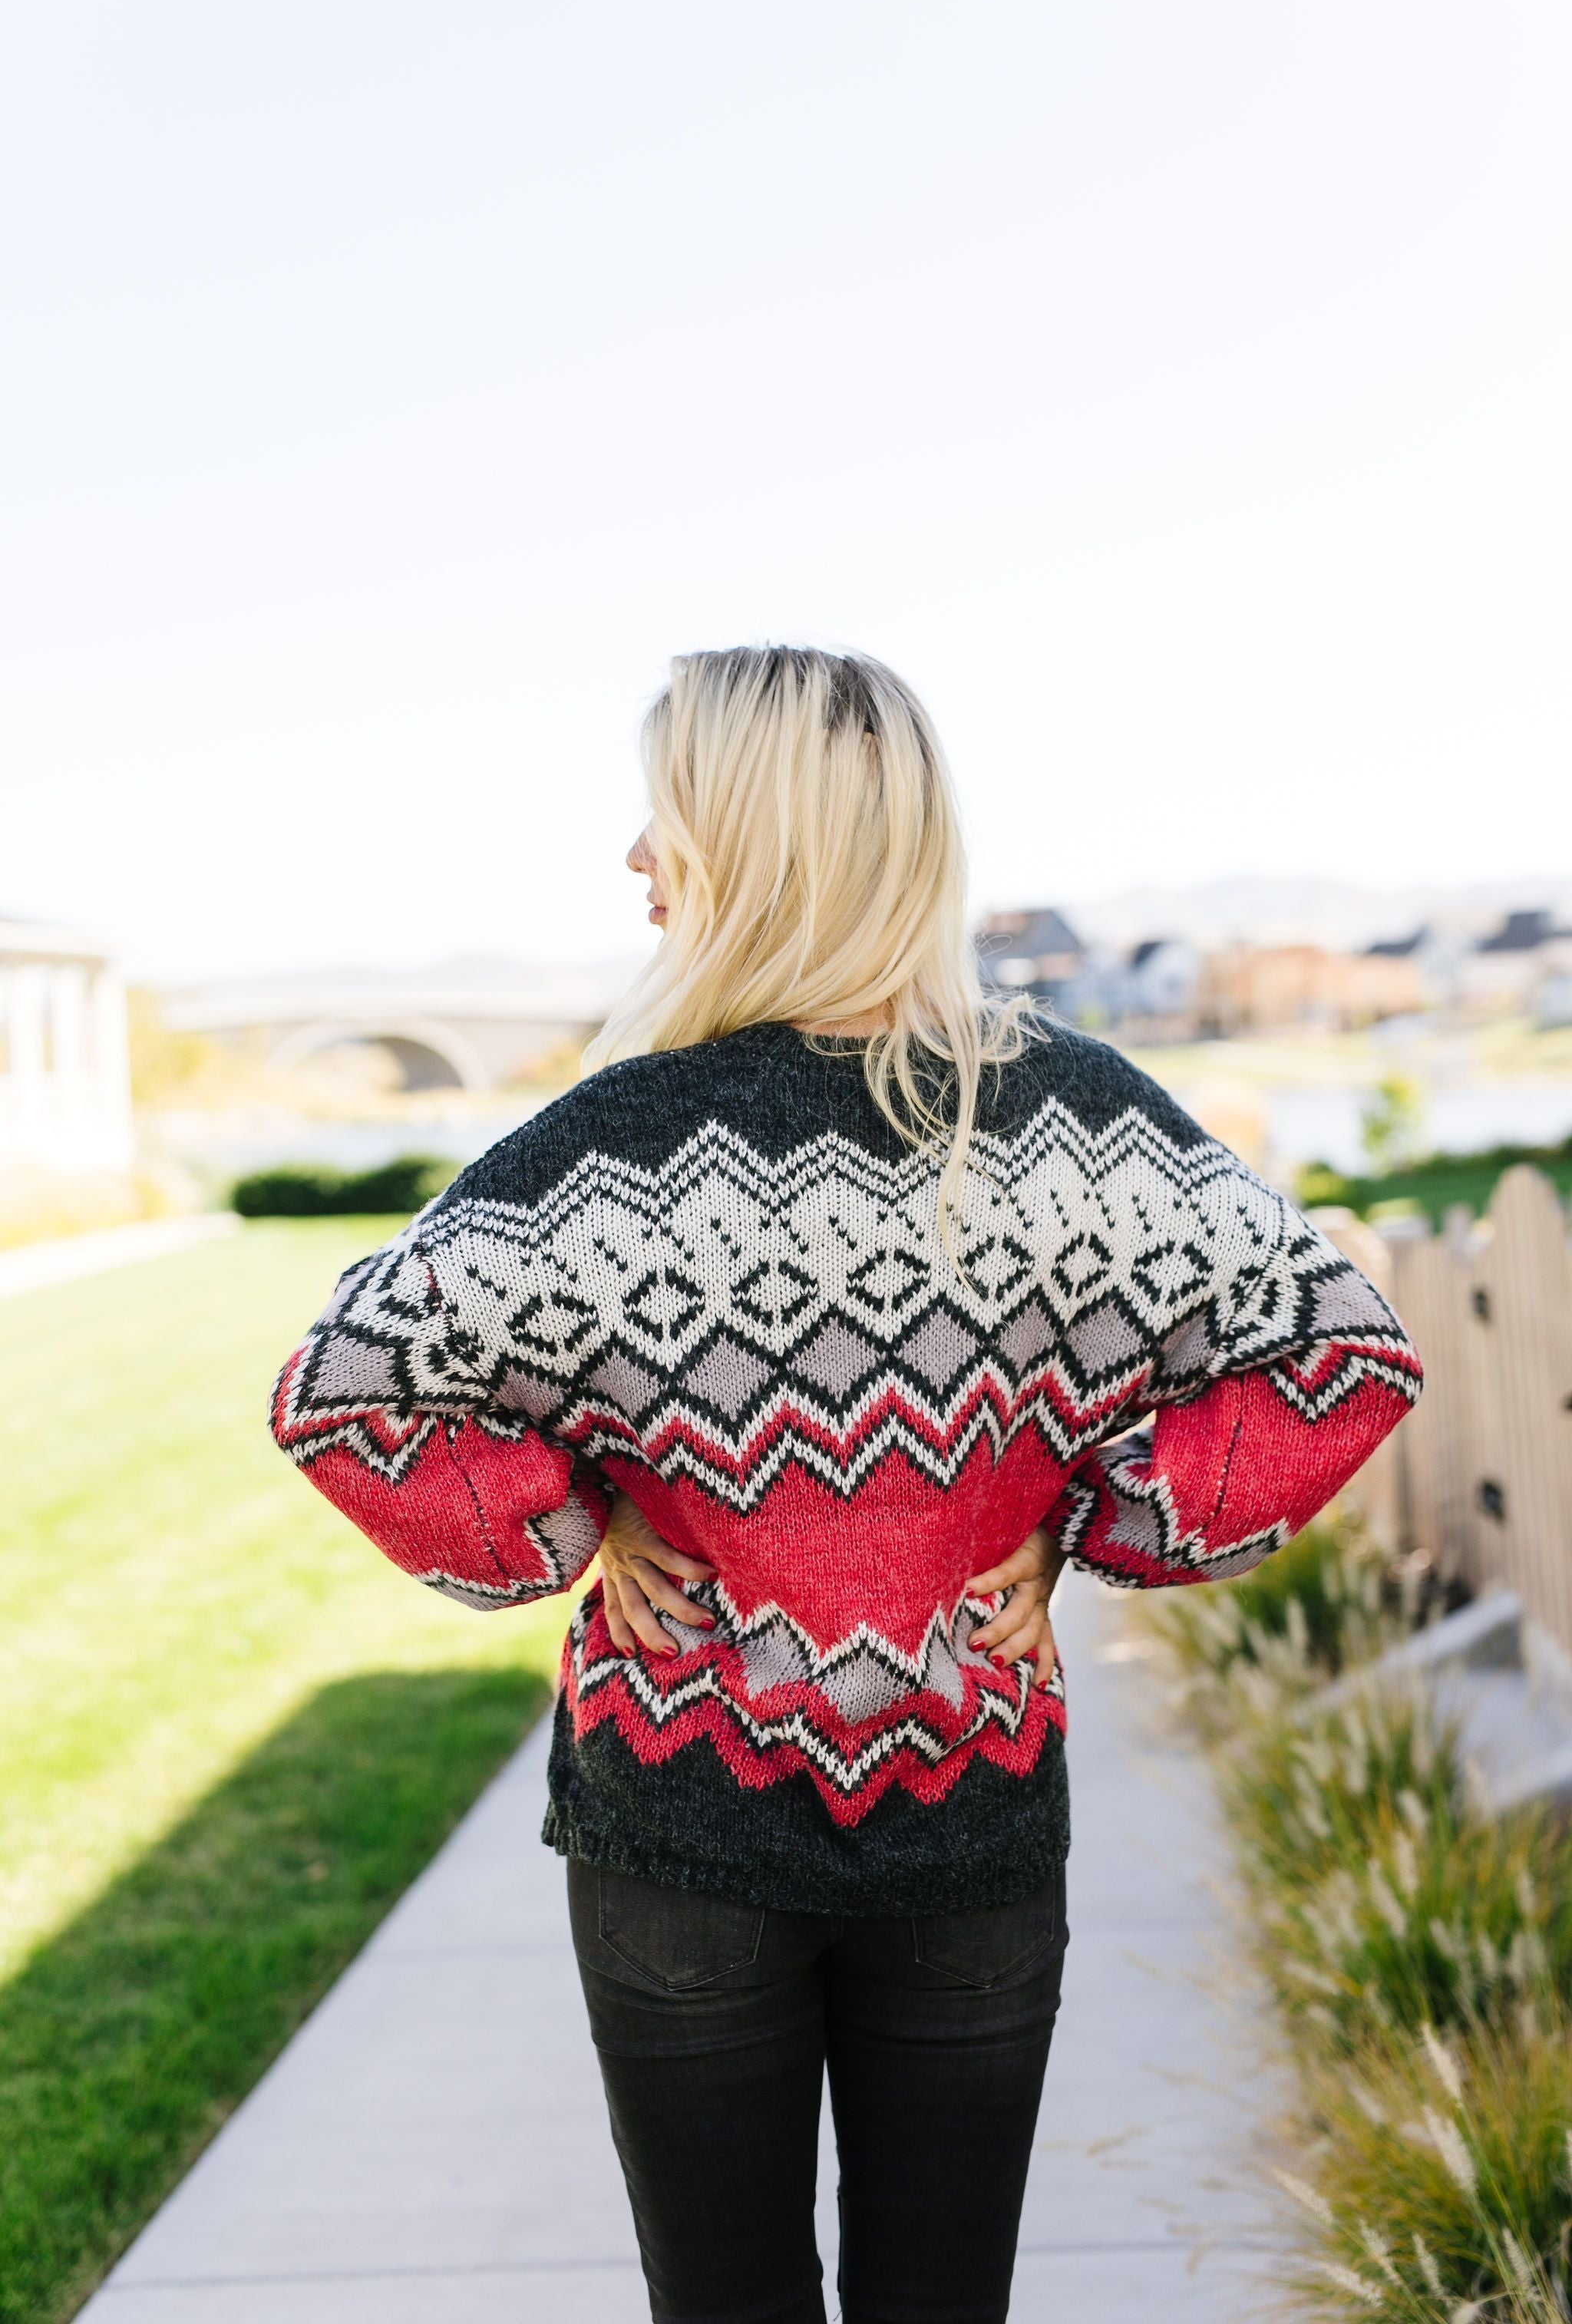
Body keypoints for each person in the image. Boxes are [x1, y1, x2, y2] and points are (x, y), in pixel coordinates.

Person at [269, 645, 1423, 2324]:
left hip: (682, 1825)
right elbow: (1341, 1357)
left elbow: (345, 1393)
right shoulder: (1086, 1123)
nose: (635, 861)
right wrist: (1093, 1524)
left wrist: (572, 1519)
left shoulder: (607, 1148)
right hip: (973, 1795)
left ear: (751, 843)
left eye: (661, 816)